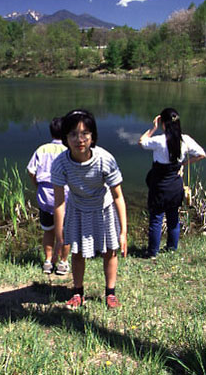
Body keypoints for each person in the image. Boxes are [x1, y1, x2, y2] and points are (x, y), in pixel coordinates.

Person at [51, 109, 128, 309]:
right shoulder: (60, 163)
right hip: (77, 209)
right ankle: (78, 292)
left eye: (85, 133)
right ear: (65, 138)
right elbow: (59, 202)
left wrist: (123, 232)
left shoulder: (105, 159)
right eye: (73, 134)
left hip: (104, 210)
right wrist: (59, 235)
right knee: (76, 253)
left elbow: (118, 196)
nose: (79, 139)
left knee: (110, 251)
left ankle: (110, 293)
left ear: (92, 136)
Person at [138, 107, 206, 258]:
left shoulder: (158, 141)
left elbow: (141, 142)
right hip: (175, 185)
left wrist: (152, 127)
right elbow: (202, 154)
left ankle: (153, 252)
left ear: (163, 123)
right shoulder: (185, 140)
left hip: (159, 185)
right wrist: (182, 165)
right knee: (173, 218)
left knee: (156, 219)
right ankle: (172, 249)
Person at [27, 117, 71, 275]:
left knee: (48, 231)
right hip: (65, 200)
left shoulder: (42, 149)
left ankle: (48, 261)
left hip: (44, 198)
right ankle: (63, 263)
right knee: (66, 232)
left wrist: (37, 185)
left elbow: (31, 171)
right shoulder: (69, 149)